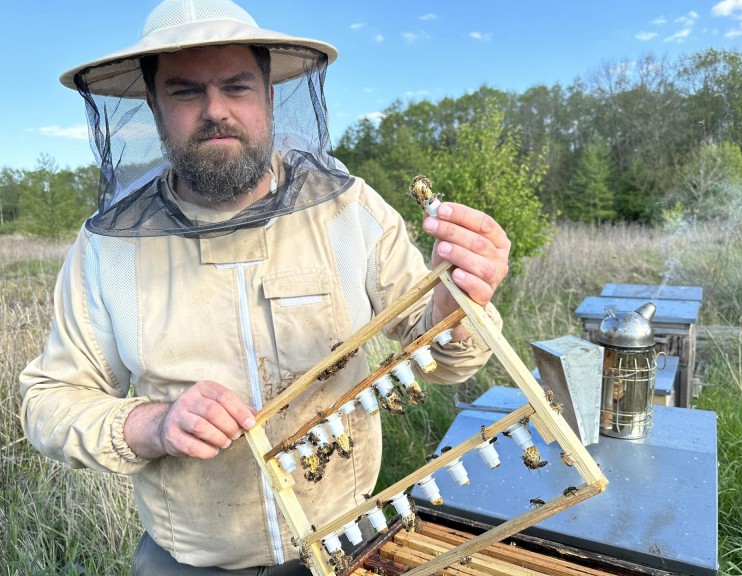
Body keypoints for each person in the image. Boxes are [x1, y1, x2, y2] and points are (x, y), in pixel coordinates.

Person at [19, 0, 511, 574]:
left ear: (270, 94)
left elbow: (446, 356)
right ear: (153, 105)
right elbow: (48, 401)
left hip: (352, 543)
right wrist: (153, 424)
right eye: (184, 92)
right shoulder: (109, 249)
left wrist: (459, 298)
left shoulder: (349, 212)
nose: (215, 111)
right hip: (190, 561)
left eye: (237, 86)